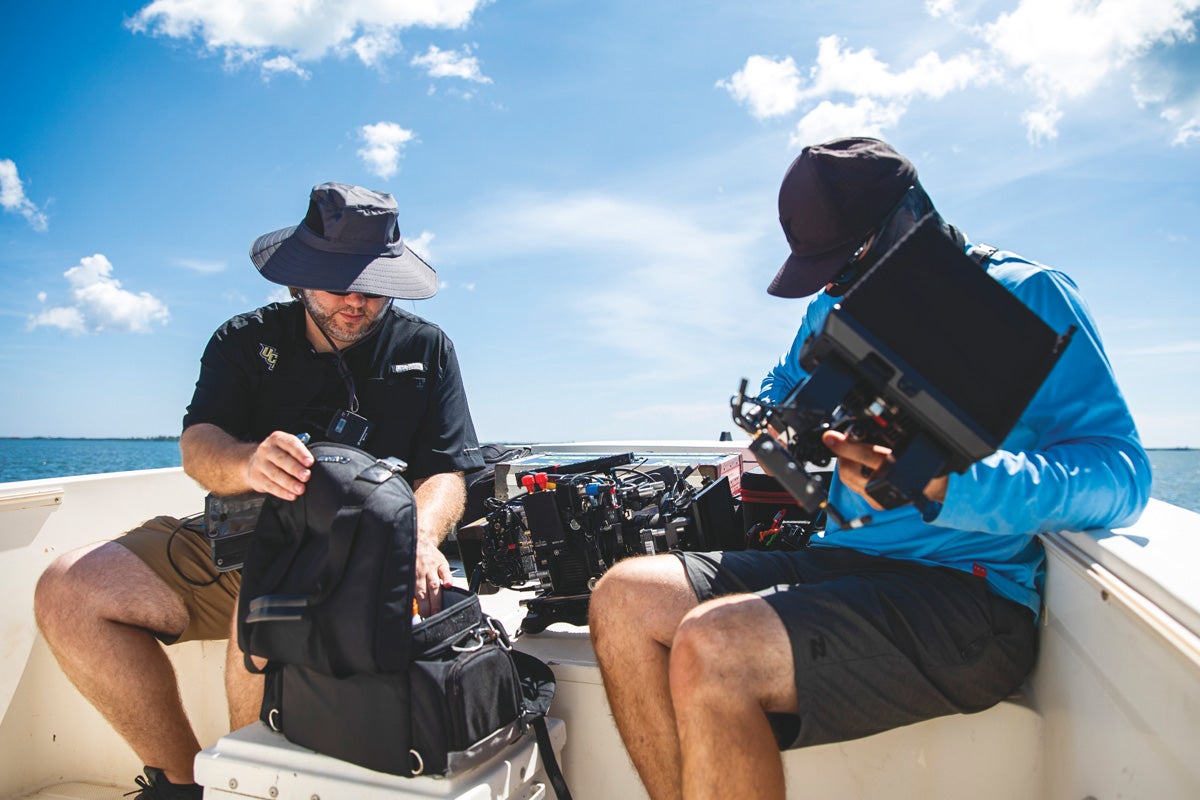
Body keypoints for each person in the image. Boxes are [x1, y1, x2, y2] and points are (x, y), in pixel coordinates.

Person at [588, 137, 1152, 800]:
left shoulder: (1027, 294)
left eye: (843, 265)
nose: (831, 288)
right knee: (623, 598)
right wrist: (783, 417)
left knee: (715, 649)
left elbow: (1119, 473)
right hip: (843, 560)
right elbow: (784, 374)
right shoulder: (832, 307)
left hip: (967, 595)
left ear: (910, 218)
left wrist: (944, 480)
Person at [33, 183, 485, 800]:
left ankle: (250, 789)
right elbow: (199, 445)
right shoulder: (243, 340)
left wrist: (422, 536)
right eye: (336, 283)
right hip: (242, 532)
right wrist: (247, 462)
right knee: (68, 589)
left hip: (372, 557)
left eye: (373, 286)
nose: (356, 301)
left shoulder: (426, 348)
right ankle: (184, 782)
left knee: (264, 600)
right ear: (299, 278)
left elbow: (447, 469)